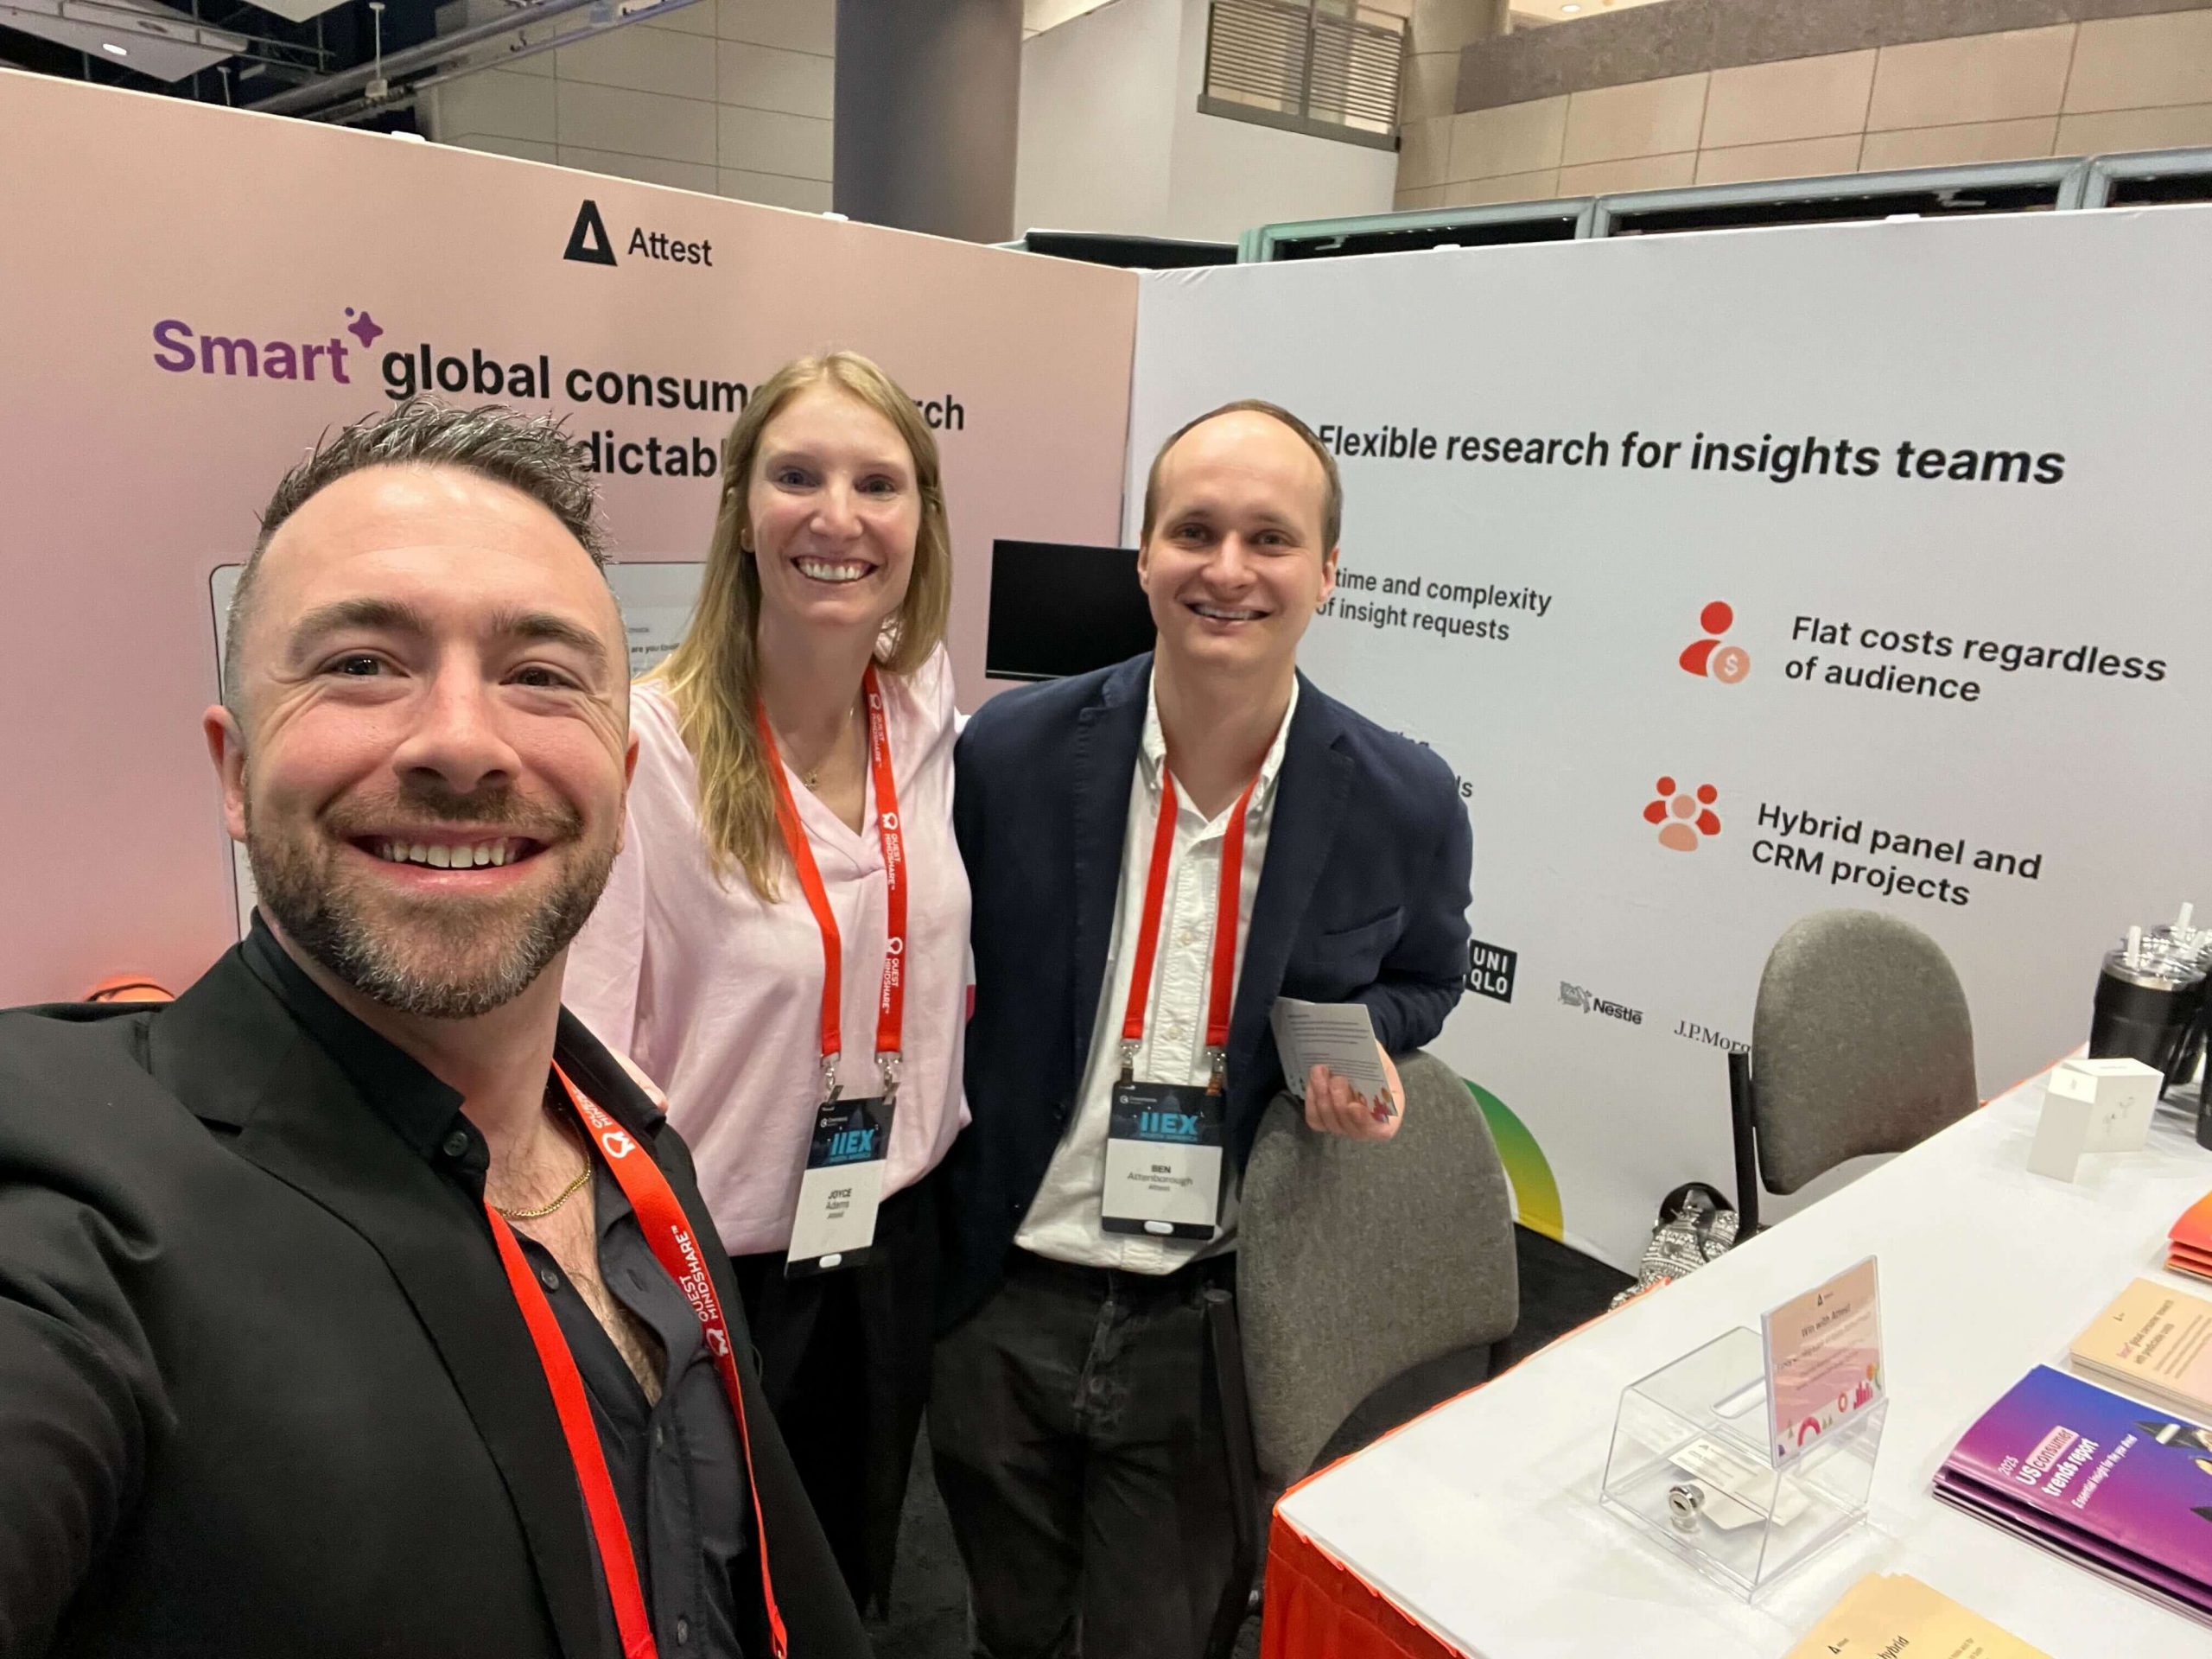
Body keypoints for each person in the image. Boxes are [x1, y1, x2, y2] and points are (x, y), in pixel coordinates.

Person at [0, 399, 868, 1659]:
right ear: (235, 772)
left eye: (541, 676)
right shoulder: (82, 1204)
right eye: (363, 664)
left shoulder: (630, 1149)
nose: (463, 743)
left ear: (624, 784)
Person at [931, 399, 1474, 1659]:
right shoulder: (1010, 755)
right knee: (1008, 1626)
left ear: (1328, 571)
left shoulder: (1404, 799)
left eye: (1270, 538)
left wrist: (1357, 1039)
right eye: (1195, 531)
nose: (1228, 569)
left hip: (1214, 1311)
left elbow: (1428, 978)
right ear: (1143, 557)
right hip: (1005, 1289)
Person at [565, 352, 966, 1618]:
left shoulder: (923, 708)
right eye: (797, 477)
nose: (837, 517)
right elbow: (583, 1052)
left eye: (877, 485)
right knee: (722, 1601)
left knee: (854, 1582)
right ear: (742, 510)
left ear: (920, 521)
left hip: (896, 1233)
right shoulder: (648, 748)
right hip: (724, 1272)